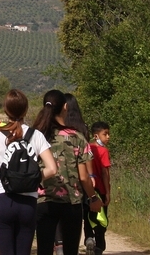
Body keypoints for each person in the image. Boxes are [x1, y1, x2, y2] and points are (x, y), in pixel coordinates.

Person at [0, 89, 56, 255]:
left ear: (5, 111)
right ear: (26, 110)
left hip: (3, 200)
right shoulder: (36, 136)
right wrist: (33, 179)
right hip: (27, 203)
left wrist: (0, 179)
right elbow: (52, 169)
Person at [33, 90, 101, 255]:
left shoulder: (37, 135)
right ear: (65, 107)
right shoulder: (76, 137)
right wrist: (93, 198)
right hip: (71, 202)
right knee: (71, 250)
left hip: (43, 200)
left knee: (44, 249)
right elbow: (84, 177)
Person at [53, 93, 95, 255]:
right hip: (76, 183)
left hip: (55, 182)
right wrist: (91, 178)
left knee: (56, 216)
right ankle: (88, 235)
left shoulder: (51, 130)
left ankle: (59, 244)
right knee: (80, 211)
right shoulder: (81, 129)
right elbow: (86, 159)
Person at [84, 122, 111, 255]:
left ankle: (89, 238)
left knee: (88, 215)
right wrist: (107, 193)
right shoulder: (103, 151)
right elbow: (105, 173)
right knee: (101, 218)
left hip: (87, 188)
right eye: (105, 134)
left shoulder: (86, 147)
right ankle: (99, 246)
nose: (108, 137)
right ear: (96, 136)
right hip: (100, 189)